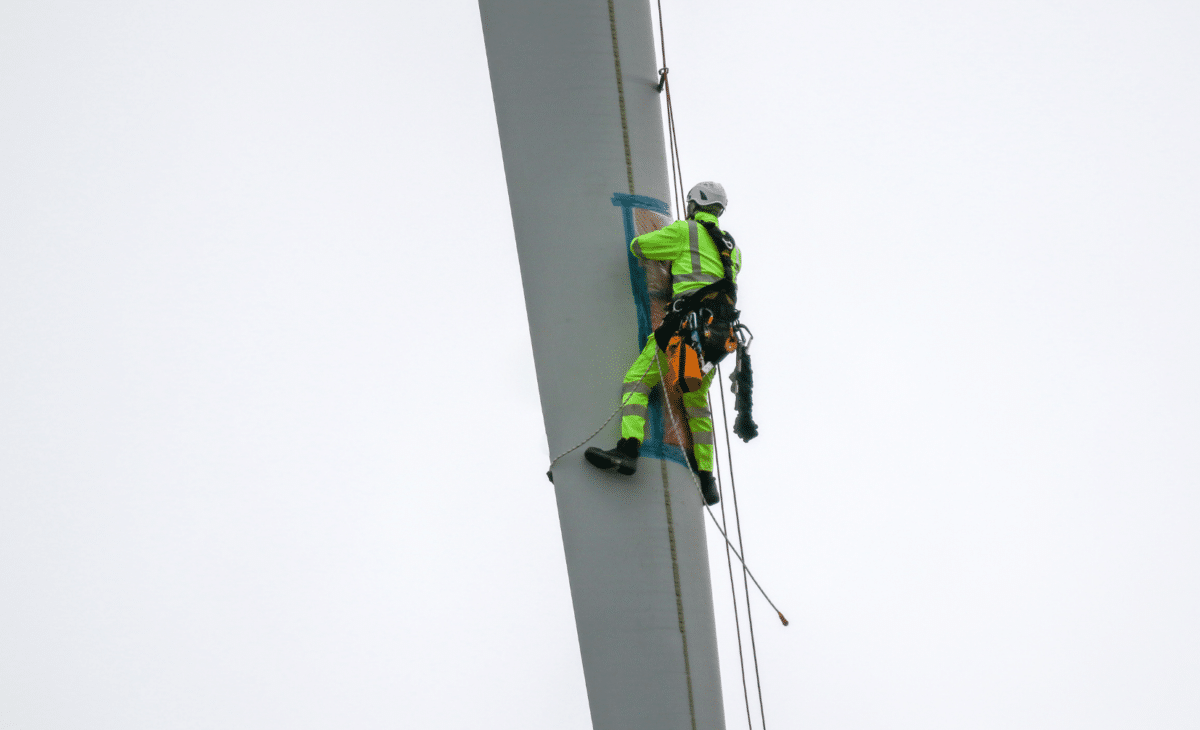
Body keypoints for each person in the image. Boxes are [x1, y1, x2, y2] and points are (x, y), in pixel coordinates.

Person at [585, 181, 742, 505]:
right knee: (695, 403)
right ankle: (707, 478)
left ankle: (628, 450)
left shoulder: (686, 232)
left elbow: (640, 247)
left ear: (694, 205)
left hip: (683, 333)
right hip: (715, 340)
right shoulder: (733, 249)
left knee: (637, 383)